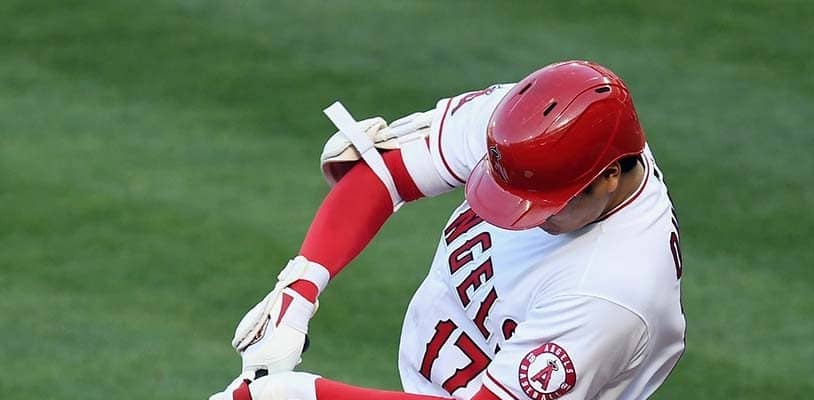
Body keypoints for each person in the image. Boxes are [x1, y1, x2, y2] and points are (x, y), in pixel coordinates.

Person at [210, 60, 686, 400]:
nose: (525, 217)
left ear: (609, 177)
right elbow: (386, 172)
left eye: (544, 205)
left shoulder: (610, 294)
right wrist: (297, 294)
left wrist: (303, 395)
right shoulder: (529, 126)